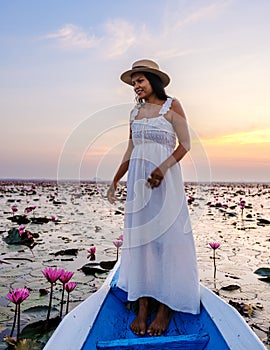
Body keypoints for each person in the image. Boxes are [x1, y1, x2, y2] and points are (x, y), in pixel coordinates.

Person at [107, 59, 200, 336]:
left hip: (165, 181)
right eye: (133, 82)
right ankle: (143, 303)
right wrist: (115, 178)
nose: (136, 86)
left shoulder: (172, 106)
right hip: (139, 182)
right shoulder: (134, 114)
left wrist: (162, 169)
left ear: (152, 81)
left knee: (167, 239)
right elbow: (130, 149)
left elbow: (185, 144)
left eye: (140, 81)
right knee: (142, 241)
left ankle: (165, 307)